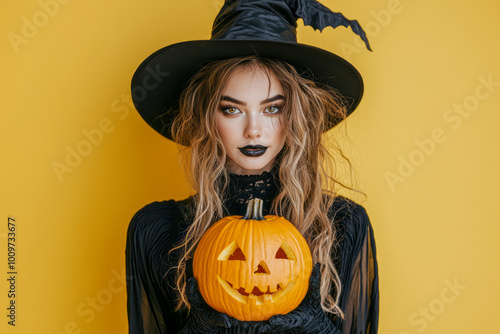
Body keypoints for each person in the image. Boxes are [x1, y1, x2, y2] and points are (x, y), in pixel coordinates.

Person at [126, 0, 379, 333]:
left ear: (297, 116)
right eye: (232, 110)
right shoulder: (158, 232)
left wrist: (316, 326)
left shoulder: (343, 227)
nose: (253, 130)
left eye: (272, 109)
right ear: (206, 118)